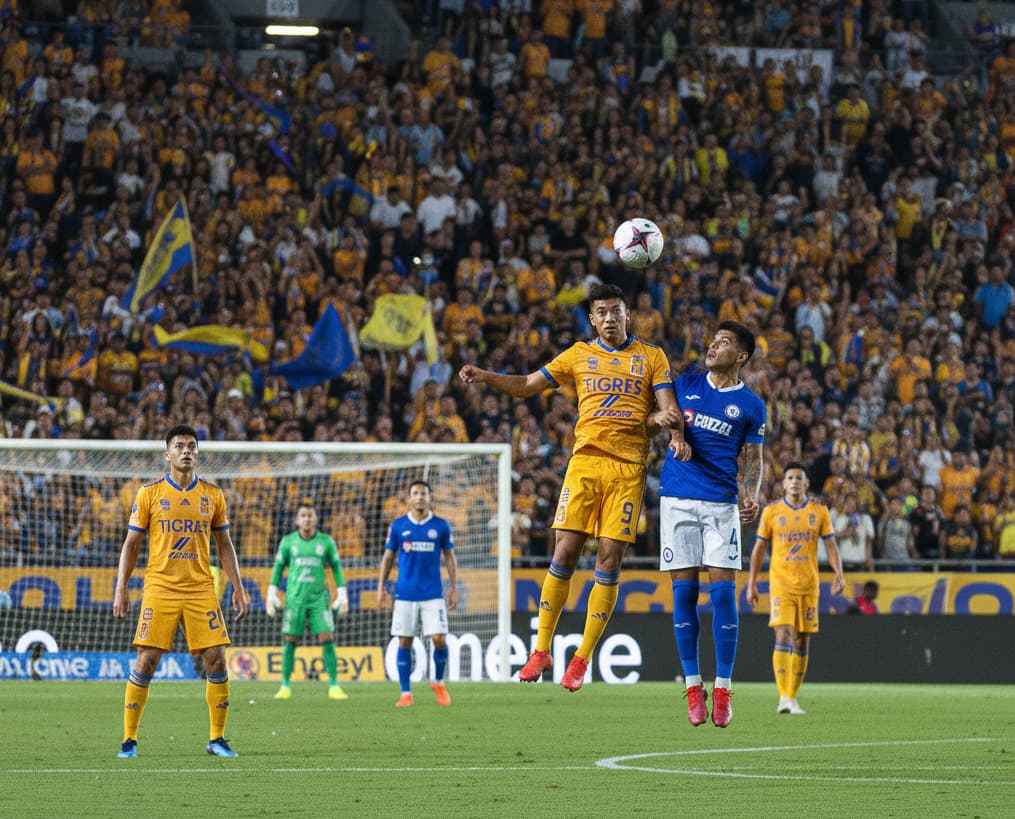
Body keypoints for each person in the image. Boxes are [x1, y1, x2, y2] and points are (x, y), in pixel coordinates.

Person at [459, 283, 683, 691]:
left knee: (609, 560)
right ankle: (540, 650)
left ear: (627, 314)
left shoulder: (651, 357)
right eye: (602, 312)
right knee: (564, 549)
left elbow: (666, 408)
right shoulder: (579, 355)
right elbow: (528, 384)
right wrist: (485, 376)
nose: (610, 318)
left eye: (617, 310)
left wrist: (666, 424)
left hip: (628, 468)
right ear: (593, 319)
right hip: (585, 464)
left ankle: (581, 659)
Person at [112, 424, 248, 759]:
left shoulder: (213, 495)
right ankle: (129, 739)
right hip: (160, 587)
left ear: (197, 453)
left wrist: (238, 587)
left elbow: (225, 545)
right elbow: (131, 545)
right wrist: (121, 588)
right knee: (147, 659)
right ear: (167, 454)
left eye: (191, 446)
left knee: (216, 657)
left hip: (201, 587)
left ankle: (217, 739)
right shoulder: (149, 493)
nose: (186, 451)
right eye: (179, 446)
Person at [658, 320, 766, 728]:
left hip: (722, 504)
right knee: (684, 595)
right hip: (678, 500)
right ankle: (692, 686)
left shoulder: (751, 405)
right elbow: (662, 416)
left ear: (739, 357)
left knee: (722, 597)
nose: (712, 346)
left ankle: (722, 688)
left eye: (723, 343)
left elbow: (753, 461)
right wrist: (675, 436)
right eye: (713, 340)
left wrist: (751, 492)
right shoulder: (685, 383)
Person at [747, 462, 845, 716]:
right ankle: (783, 697)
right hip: (781, 583)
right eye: (790, 477)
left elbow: (831, 545)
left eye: (799, 478)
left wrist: (838, 574)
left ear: (806, 483)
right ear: (783, 483)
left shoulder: (819, 511)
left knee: (802, 639)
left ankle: (792, 696)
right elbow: (759, 550)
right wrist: (752, 583)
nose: (794, 482)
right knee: (783, 634)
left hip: (809, 584)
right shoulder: (772, 511)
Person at [376, 480, 458, 707]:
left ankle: (438, 682)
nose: (420, 497)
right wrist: (381, 587)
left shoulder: (441, 526)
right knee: (405, 641)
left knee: (439, 639)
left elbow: (450, 556)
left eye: (424, 493)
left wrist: (453, 587)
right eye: (415, 493)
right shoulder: (399, 525)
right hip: (405, 593)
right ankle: (405, 693)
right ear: (409, 498)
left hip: (433, 593)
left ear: (430, 498)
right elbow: (388, 557)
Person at [266, 499, 350, 701]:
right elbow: (278, 568)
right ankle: (285, 685)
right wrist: (271, 593)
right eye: (303, 516)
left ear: (316, 519)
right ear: (297, 520)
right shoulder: (288, 542)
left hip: (319, 599)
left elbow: (336, 567)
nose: (307, 519)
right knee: (290, 640)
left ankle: (334, 685)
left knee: (327, 637)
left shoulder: (326, 542)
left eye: (310, 516)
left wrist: (342, 593)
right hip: (295, 599)